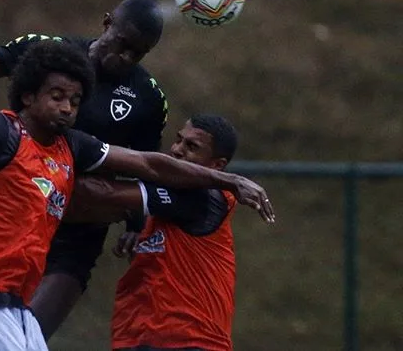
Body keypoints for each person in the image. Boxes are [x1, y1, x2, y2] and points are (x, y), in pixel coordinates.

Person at [0, 40, 272, 351]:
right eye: (57, 96)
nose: (66, 107)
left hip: (14, 310)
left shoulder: (72, 148)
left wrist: (228, 182)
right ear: (27, 95)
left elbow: (144, 163)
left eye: (75, 101)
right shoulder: (0, 129)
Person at [0, 0, 171, 338]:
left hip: (77, 236)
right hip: (15, 225)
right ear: (107, 22)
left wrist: (136, 224)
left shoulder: (148, 98)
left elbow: (144, 165)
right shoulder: (48, 53)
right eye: (122, 42)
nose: (125, 56)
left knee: (25, 337)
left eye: (138, 53)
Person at [68, 114, 270, 351]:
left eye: (191, 147)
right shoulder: (160, 208)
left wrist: (70, 149)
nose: (176, 150)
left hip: (192, 342)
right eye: (178, 140)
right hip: (136, 337)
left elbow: (102, 193)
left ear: (217, 166)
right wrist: (136, 227)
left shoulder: (205, 198)